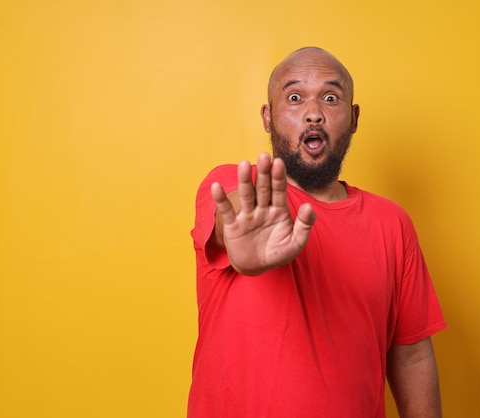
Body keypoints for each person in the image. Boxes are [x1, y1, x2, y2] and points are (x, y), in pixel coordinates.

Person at [188, 47, 446, 418]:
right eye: (294, 98)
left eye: (330, 97)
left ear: (354, 118)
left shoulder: (393, 223)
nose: (314, 113)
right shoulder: (234, 184)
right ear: (268, 116)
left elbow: (412, 355)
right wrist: (238, 233)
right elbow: (231, 218)